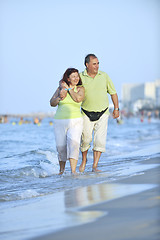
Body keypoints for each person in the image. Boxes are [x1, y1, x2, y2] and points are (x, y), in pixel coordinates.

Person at [79, 54, 119, 172]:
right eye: (94, 64)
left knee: (100, 141)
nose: (97, 66)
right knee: (85, 139)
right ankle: (84, 160)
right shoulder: (80, 77)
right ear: (87, 65)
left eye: (98, 63)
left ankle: (95, 166)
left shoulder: (104, 76)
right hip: (86, 112)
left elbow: (113, 93)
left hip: (103, 112)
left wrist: (116, 108)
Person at [50, 68, 85, 175]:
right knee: (61, 147)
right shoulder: (60, 88)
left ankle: (73, 171)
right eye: (73, 76)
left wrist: (68, 90)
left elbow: (78, 99)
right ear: (68, 78)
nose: (76, 78)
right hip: (59, 121)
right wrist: (60, 97)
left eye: (77, 76)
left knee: (74, 144)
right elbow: (52, 102)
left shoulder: (80, 89)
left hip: (76, 121)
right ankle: (61, 171)